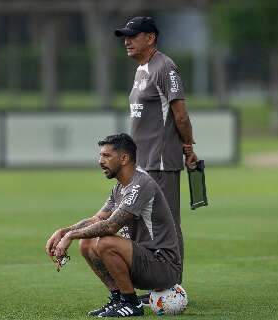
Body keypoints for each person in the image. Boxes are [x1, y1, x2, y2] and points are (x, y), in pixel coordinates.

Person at [45, 133, 182, 317]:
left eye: (107, 156)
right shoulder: (120, 187)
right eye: (101, 155)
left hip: (163, 266)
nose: (100, 161)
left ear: (124, 158)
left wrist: (70, 236)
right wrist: (65, 231)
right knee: (86, 242)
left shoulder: (141, 184)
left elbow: (110, 227)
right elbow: (97, 220)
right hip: (142, 261)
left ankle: (131, 304)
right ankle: (118, 299)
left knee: (105, 242)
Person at [114, 16, 198, 289]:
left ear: (150, 38)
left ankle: (173, 287)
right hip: (141, 163)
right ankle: (151, 283)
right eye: (125, 36)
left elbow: (180, 115)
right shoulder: (142, 69)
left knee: (167, 225)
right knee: (139, 225)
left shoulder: (165, 67)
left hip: (161, 162)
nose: (127, 41)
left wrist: (188, 147)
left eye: (133, 36)